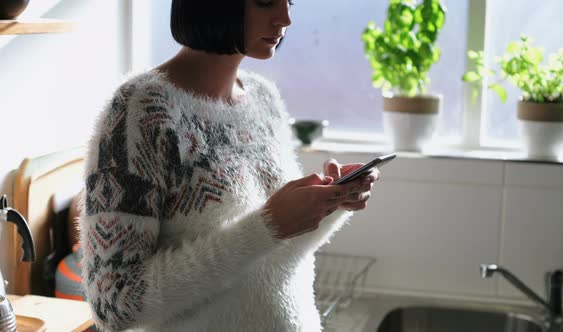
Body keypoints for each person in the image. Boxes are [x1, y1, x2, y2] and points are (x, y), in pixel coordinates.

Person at [79, 0, 380, 331]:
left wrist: (330, 204)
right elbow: (115, 303)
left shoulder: (263, 98)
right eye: (266, 1)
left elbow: (275, 256)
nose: (286, 18)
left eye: (290, 0)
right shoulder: (140, 112)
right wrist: (269, 225)